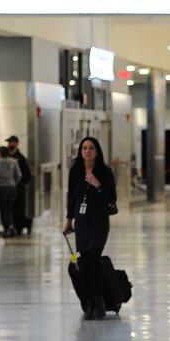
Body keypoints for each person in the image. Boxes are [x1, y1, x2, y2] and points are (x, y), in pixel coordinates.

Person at [63, 137, 117, 320]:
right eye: (84, 148)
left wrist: (97, 185)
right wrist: (69, 220)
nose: (87, 151)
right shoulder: (76, 171)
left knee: (93, 260)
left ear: (97, 151)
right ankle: (88, 303)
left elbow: (112, 198)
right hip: (82, 223)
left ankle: (99, 302)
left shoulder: (104, 172)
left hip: (98, 222)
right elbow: (72, 198)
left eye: (91, 148)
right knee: (84, 264)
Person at [6, 136, 32, 235]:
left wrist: (21, 184)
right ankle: (17, 227)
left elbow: (26, 174)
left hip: (19, 188)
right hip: (9, 187)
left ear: (16, 143)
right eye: (8, 143)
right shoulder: (7, 157)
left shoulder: (21, 158)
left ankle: (26, 224)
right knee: (12, 209)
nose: (9, 145)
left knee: (19, 208)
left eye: (11, 142)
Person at [0, 147, 21, 237]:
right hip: (12, 188)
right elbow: (19, 175)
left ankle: (6, 229)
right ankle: (11, 227)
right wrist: (14, 183)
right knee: (10, 209)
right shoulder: (14, 161)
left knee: (3, 210)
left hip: (1, 188)